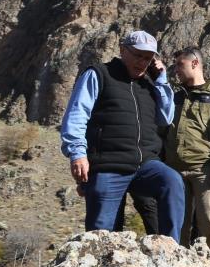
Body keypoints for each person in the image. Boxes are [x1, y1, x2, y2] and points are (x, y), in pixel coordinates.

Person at [60, 30, 185, 242]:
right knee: (101, 235)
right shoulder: (98, 74)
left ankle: (171, 249)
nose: (142, 62)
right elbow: (77, 113)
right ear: (122, 50)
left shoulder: (150, 84)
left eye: (148, 58)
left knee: (172, 181)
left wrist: (162, 80)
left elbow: (166, 117)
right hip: (108, 164)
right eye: (137, 55)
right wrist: (78, 154)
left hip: (145, 164)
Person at [166, 47, 210, 265]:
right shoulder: (174, 96)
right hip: (173, 170)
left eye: (180, 64)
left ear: (194, 63)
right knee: (178, 226)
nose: (176, 70)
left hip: (204, 169)